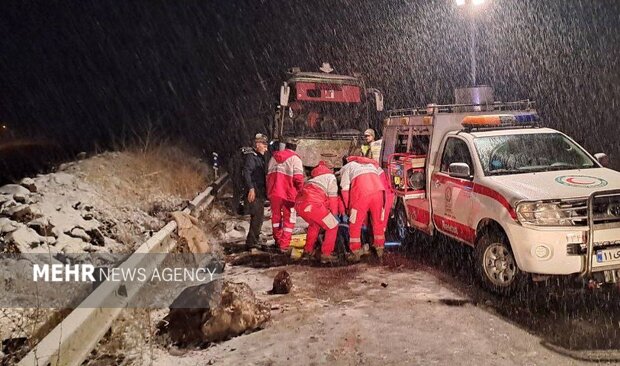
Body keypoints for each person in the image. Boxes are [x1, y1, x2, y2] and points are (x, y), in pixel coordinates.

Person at [339, 155, 388, 262]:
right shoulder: (371, 165)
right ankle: (379, 249)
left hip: (361, 194)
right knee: (377, 222)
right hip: (379, 193)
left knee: (355, 224)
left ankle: (355, 252)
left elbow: (345, 188)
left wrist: (348, 207)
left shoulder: (348, 167)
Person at [295, 161, 340, 263]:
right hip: (313, 204)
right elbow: (333, 199)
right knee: (332, 225)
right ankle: (326, 253)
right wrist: (334, 215)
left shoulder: (313, 179)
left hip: (300, 204)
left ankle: (307, 251)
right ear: (330, 169)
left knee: (314, 225)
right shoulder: (330, 177)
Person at [267, 137, 304, 253]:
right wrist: (301, 192)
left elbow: (268, 175)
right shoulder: (295, 159)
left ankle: (278, 240)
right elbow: (298, 178)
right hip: (288, 193)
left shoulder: (273, 158)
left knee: (276, 218)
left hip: (274, 192)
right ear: (295, 147)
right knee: (289, 219)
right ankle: (284, 245)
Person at [242, 133, 269, 249]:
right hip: (255, 191)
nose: (266, 148)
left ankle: (254, 239)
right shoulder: (251, 157)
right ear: (258, 144)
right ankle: (252, 242)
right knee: (257, 216)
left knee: (259, 216)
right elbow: (247, 172)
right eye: (264, 145)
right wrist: (251, 189)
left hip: (259, 191)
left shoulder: (258, 157)